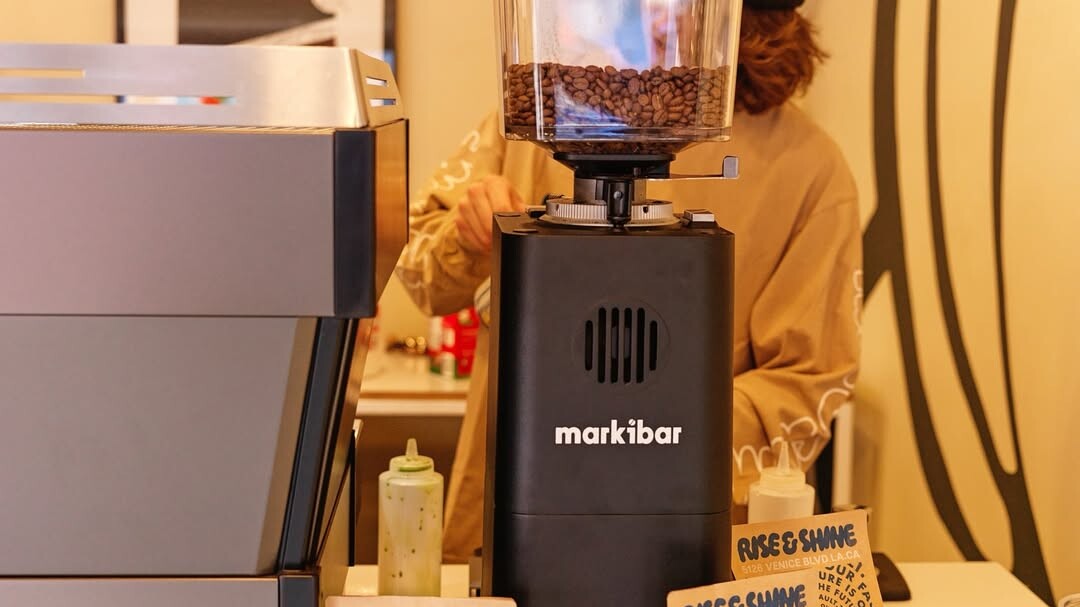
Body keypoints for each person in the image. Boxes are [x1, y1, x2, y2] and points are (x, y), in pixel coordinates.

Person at [395, 2, 861, 563]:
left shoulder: (811, 171)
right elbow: (417, 270)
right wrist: (466, 236)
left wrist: (639, 426)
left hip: (686, 542)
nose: (652, 16)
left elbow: (807, 383)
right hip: (504, 525)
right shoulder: (552, 105)